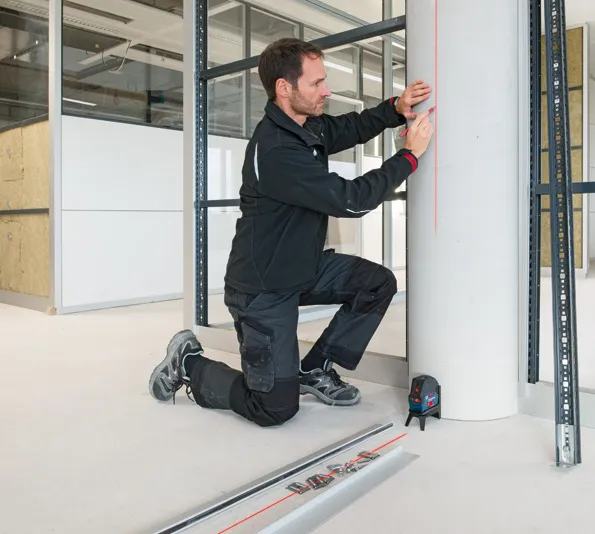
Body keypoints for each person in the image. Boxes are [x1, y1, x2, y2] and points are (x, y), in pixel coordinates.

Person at [148, 37, 434, 427]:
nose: (326, 90)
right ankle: (189, 363)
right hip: (262, 289)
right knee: (275, 408)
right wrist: (408, 156)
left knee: (377, 283)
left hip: (302, 266)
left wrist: (394, 110)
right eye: (316, 83)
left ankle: (313, 369)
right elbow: (350, 201)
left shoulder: (304, 125)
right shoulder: (278, 151)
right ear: (285, 88)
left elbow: (347, 127)